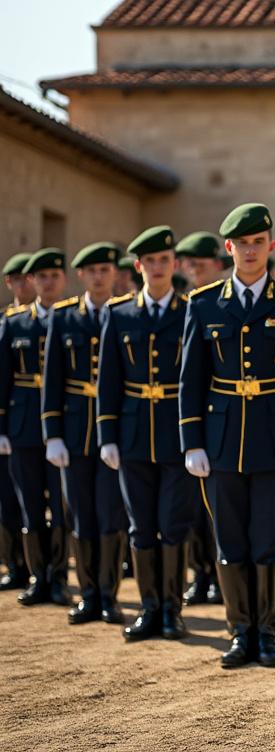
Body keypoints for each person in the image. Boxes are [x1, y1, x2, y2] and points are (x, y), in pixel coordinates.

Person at [179, 203, 275, 668]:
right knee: (230, 540)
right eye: (242, 243)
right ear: (228, 248)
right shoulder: (204, 302)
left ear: (271, 246)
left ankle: (267, 632)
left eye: (259, 242)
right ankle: (240, 632)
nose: (250, 251)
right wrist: (192, 440)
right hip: (221, 441)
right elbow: (190, 378)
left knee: (268, 540)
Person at [98, 226, 195, 641]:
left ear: (174, 264)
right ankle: (149, 607)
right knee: (140, 526)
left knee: (172, 524)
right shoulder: (119, 314)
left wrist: (197, 438)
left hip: (176, 434)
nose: (157, 268)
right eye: (149, 261)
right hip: (135, 433)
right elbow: (109, 379)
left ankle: (172, 609)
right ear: (138, 267)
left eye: (163, 260)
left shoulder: (191, 310)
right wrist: (107, 435)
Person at [41, 242, 128, 625]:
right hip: (75, 432)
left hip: (116, 432)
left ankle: (110, 594)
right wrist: (52, 432)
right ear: (81, 276)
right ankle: (88, 592)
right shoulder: (64, 318)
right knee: (80, 515)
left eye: (104, 269)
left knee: (111, 515)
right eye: (91, 270)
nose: (98, 276)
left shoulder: (124, 313)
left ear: (114, 273)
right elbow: (52, 379)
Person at [0, 248, 71, 607]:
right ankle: (37, 575)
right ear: (31, 281)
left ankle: (58, 577)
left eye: (54, 276)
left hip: (62, 424)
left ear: (64, 279)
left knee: (59, 505)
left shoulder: (73, 317)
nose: (47, 282)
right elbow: (3, 378)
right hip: (24, 424)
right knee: (29, 503)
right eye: (41, 276)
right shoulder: (15, 323)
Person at [173, 230, 225, 607]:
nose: (196, 271)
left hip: (223, 420)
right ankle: (199, 572)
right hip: (195, 421)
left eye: (202, 265)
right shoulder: (184, 307)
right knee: (191, 510)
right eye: (190, 265)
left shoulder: (219, 305)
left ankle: (220, 577)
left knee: (218, 514)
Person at [0, 254, 34, 592]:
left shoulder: (46, 319)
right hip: (16, 422)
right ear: (9, 282)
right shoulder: (7, 321)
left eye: (29, 277)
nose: (24, 284)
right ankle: (14, 563)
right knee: (10, 499)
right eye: (18, 278)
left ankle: (43, 570)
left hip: (44, 423)